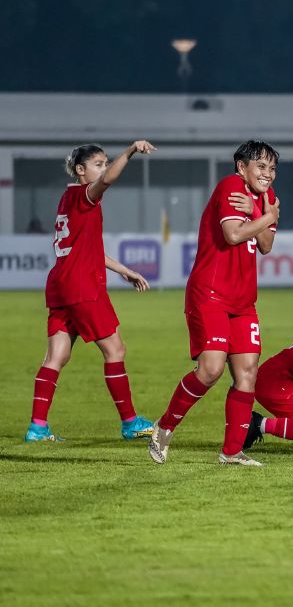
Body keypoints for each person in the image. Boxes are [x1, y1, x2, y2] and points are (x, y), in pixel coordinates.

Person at [149, 140, 280, 467]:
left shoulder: (268, 199)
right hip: (210, 293)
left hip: (243, 300)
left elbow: (266, 245)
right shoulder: (230, 186)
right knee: (210, 370)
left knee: (247, 374)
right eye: (261, 167)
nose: (267, 174)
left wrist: (262, 213)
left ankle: (232, 452)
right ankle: (164, 427)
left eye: (272, 168)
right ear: (242, 167)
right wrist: (264, 215)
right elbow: (233, 235)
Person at [24, 141, 157, 443]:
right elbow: (108, 180)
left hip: (61, 285)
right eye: (98, 164)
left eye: (105, 162)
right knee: (115, 351)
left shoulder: (67, 198)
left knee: (56, 356)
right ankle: (130, 422)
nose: (103, 168)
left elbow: (88, 249)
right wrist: (130, 152)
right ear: (81, 170)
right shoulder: (86, 196)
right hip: (83, 286)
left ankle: (37, 427)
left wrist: (125, 270)